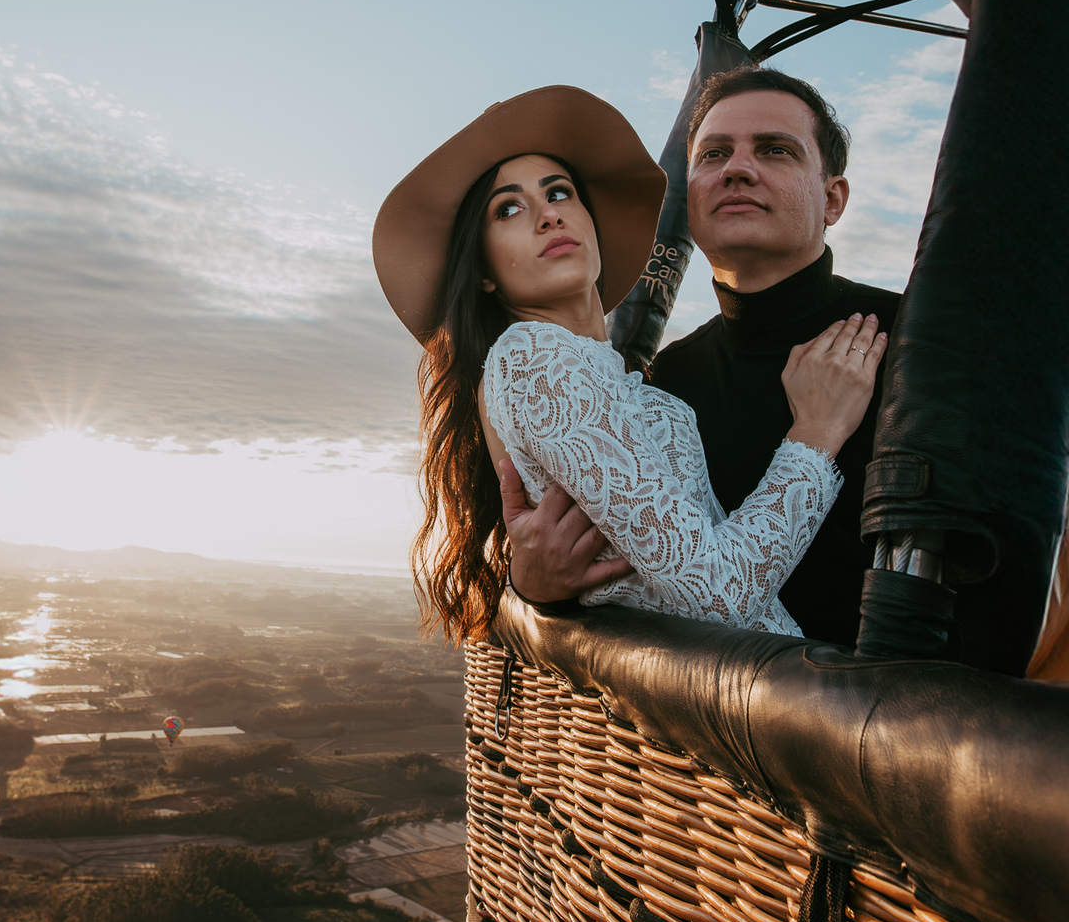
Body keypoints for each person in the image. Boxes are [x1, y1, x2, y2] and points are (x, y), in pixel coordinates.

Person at [372, 85, 886, 643]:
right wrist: (816, 435)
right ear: (482, 270)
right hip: (766, 713)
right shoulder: (546, 360)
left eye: (560, 193)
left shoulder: (642, 383)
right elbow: (715, 593)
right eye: (510, 209)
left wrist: (537, 587)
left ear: (833, 198)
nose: (548, 216)